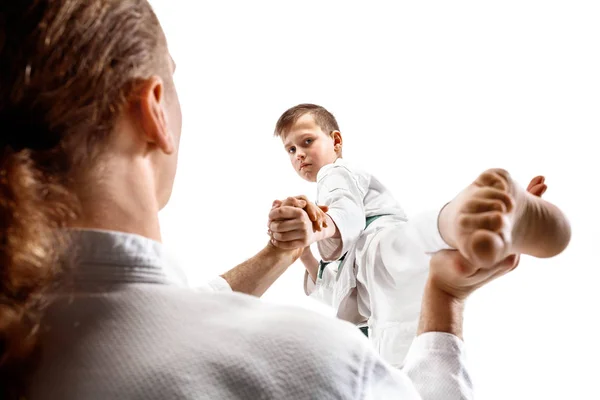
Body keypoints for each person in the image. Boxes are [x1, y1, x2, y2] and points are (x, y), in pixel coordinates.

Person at [0, 1, 570, 399]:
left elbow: (173, 308)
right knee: (421, 243)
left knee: (413, 239)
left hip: (376, 259)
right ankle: (474, 210)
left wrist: (284, 249)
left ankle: (469, 212)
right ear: (153, 110)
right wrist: (444, 301)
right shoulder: (305, 362)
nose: (300, 156)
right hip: (373, 276)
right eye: (172, 80)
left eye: (307, 143)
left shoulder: (30, 345)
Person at [268, 104, 570, 366]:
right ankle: (498, 227)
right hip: (377, 305)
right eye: (291, 150)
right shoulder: (345, 263)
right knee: (412, 337)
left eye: (307, 142)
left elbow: (347, 215)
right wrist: (305, 255)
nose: (299, 155)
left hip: (378, 246)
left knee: (411, 249)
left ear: (335, 141)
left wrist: (320, 227)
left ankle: (464, 219)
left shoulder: (334, 174)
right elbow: (336, 289)